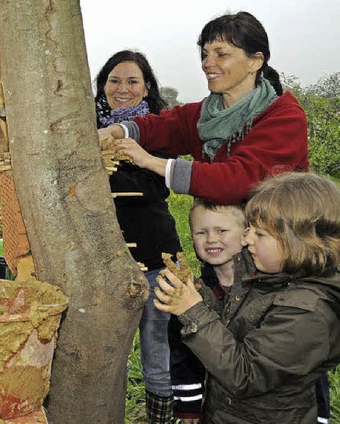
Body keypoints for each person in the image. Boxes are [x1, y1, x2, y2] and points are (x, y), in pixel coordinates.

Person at [155, 172, 340, 422]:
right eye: (249, 229)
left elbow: (245, 375)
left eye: (259, 234)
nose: (246, 238)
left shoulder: (307, 312)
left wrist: (194, 310)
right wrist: (198, 295)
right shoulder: (272, 278)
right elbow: (232, 329)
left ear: (298, 242)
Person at [98, 11, 308, 205]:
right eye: (205, 54)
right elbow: (162, 126)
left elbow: (238, 180)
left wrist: (150, 161)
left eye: (221, 54)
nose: (207, 63)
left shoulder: (284, 117)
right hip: (223, 240)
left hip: (280, 239)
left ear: (255, 62)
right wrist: (114, 131)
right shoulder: (204, 113)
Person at [95, 50, 182, 423]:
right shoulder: (87, 130)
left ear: (147, 86)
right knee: (100, 352)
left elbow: (148, 185)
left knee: (157, 350)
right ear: (103, 86)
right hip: (99, 260)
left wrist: (98, 169)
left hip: (154, 255)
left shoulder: (158, 129)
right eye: (114, 80)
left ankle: (160, 418)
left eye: (132, 81)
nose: (123, 88)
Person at [170, 199, 246, 422]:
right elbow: (182, 351)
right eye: (201, 232)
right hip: (218, 408)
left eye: (221, 230)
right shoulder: (192, 293)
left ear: (246, 233)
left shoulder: (267, 286)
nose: (211, 239)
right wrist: (189, 403)